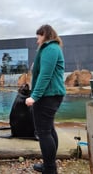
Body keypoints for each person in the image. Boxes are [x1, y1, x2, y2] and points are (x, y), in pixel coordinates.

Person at [25, 24, 66, 174]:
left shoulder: (50, 48)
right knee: (48, 130)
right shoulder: (52, 49)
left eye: (38, 37)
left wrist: (34, 96)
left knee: (43, 132)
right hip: (51, 95)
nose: (37, 41)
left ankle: (49, 169)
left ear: (45, 35)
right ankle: (50, 165)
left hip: (48, 96)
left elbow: (45, 75)